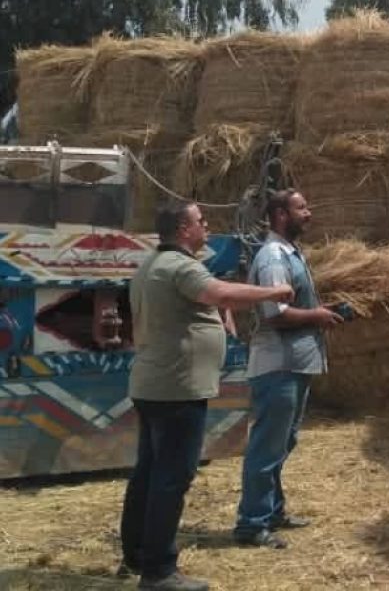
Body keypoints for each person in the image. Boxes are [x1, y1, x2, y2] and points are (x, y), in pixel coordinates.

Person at [119, 201, 295, 591]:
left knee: (148, 474)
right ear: (183, 228)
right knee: (171, 477)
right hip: (177, 388)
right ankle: (160, 571)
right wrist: (276, 289)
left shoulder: (151, 264)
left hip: (154, 385)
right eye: (202, 221)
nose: (208, 226)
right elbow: (222, 294)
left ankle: (136, 554)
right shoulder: (180, 266)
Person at [233, 188, 344, 548]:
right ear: (281, 215)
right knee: (267, 446)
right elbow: (274, 315)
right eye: (302, 207)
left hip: (294, 364)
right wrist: (317, 316)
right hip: (277, 365)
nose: (308, 213)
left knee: (283, 442)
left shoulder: (291, 254)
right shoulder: (273, 257)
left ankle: (273, 511)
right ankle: (251, 525)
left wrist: (321, 310)